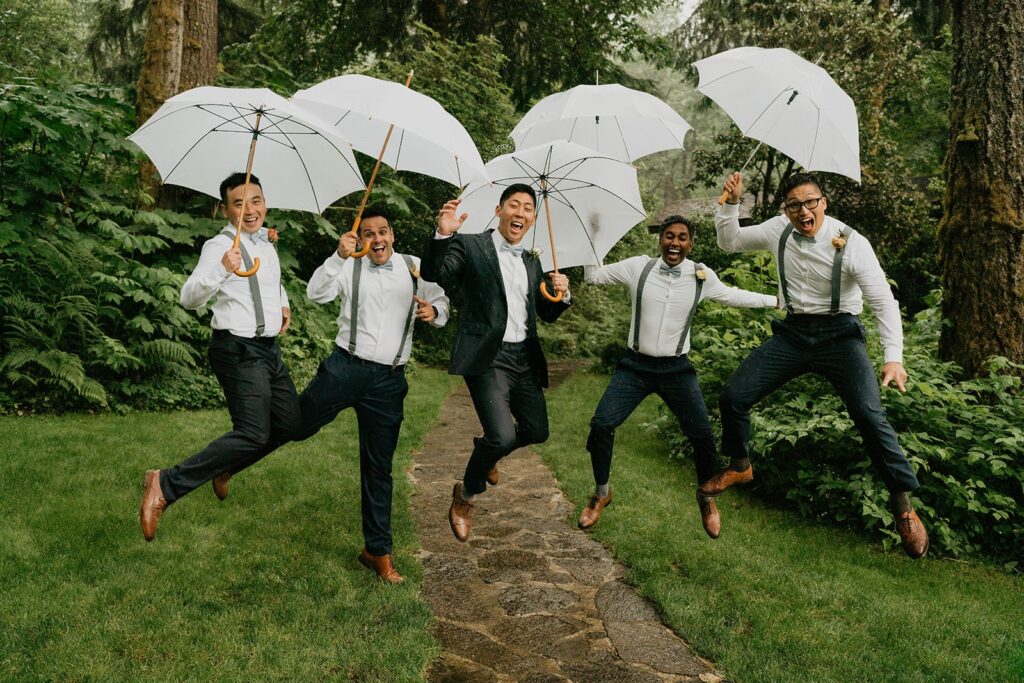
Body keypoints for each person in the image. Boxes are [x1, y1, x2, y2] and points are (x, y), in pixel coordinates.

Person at [708, 171, 929, 558]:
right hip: (794, 333)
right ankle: (741, 464)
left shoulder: (852, 243)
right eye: (794, 204)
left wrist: (893, 358)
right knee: (733, 396)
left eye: (811, 202)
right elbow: (729, 242)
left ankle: (903, 507)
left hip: (840, 336)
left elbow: (883, 303)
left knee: (869, 414)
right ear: (786, 210)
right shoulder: (777, 229)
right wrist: (730, 204)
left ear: (824, 203)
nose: (804, 210)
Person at [279, 206, 450, 583]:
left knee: (378, 467)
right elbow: (315, 294)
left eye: (383, 232)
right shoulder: (349, 264)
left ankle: (378, 552)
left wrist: (433, 312)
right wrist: (338, 256)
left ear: (392, 235)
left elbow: (443, 301)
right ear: (360, 238)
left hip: (389, 380)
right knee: (295, 426)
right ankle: (236, 456)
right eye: (369, 234)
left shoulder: (413, 266)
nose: (378, 240)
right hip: (346, 368)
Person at [580, 215, 778, 538]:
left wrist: (775, 300)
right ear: (660, 239)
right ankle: (601, 493)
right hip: (635, 367)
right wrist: (594, 236)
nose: (675, 243)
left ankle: (707, 497)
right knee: (602, 424)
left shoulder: (701, 276)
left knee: (702, 435)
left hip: (676, 370)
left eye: (682, 237)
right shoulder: (638, 268)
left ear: (690, 243)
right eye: (669, 236)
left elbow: (732, 295)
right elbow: (594, 277)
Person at [140, 172, 300, 542]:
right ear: (224, 209)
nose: (249, 209)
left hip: (267, 349)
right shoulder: (218, 247)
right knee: (253, 433)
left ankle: (224, 466)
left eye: (255, 200)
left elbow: (271, 281)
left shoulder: (266, 245)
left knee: (291, 423)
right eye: (239, 203)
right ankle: (165, 483)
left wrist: (283, 304)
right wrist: (220, 270)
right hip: (236, 349)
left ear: (265, 204)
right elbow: (188, 297)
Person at [421, 184, 571, 543]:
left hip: (523, 357)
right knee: (502, 434)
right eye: (513, 205)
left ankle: (487, 454)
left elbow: (545, 314)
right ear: (499, 209)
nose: (520, 213)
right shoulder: (472, 245)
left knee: (537, 430)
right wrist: (444, 234)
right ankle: (466, 495)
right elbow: (434, 272)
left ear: (534, 217)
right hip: (488, 357)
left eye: (528, 208)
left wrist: (561, 293)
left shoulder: (534, 260)